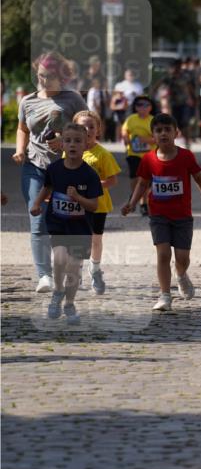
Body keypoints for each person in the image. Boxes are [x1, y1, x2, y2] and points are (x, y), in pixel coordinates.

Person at [121, 113, 201, 312]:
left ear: (176, 133)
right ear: (153, 135)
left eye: (167, 130)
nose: (163, 134)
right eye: (158, 130)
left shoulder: (186, 156)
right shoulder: (148, 159)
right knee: (163, 254)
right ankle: (165, 295)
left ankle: (181, 275)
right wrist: (132, 203)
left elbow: (200, 179)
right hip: (159, 215)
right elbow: (143, 183)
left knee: (182, 258)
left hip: (182, 216)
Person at [13, 52, 86, 292]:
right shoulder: (28, 101)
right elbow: (23, 128)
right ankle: (44, 275)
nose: (44, 80)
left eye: (50, 76)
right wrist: (20, 150)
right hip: (34, 167)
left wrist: (65, 141)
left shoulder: (73, 99)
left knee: (64, 221)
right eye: (41, 76)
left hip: (66, 169)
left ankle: (69, 268)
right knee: (37, 219)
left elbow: (88, 128)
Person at [29, 123, 102, 324]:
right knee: (59, 259)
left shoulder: (90, 175)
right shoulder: (54, 168)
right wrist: (36, 203)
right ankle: (58, 292)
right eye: (68, 140)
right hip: (58, 223)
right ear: (61, 144)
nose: (72, 145)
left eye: (77, 141)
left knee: (73, 268)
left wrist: (78, 197)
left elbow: (94, 206)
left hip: (80, 228)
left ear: (85, 144)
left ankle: (69, 304)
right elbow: (47, 188)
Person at [73, 110, 121, 294]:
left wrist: (93, 184)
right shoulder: (70, 150)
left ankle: (94, 269)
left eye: (91, 126)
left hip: (98, 205)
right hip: (76, 204)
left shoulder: (103, 154)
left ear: (98, 130)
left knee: (95, 240)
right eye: (82, 126)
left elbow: (113, 180)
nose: (87, 129)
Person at [121, 95, 154, 216]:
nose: (143, 107)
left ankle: (143, 204)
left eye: (146, 104)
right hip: (133, 153)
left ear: (150, 107)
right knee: (134, 178)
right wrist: (125, 137)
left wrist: (145, 140)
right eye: (139, 104)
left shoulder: (153, 120)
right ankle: (134, 194)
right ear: (135, 107)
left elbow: (157, 138)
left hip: (149, 155)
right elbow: (124, 130)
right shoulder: (131, 119)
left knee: (145, 180)